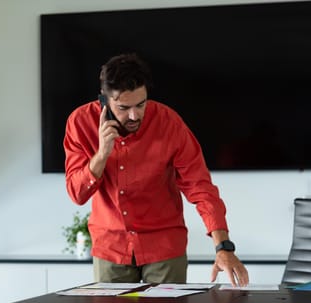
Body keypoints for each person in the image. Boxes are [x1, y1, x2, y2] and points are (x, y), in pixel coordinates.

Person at [63, 53, 249, 287]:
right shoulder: (80, 122)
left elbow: (200, 187)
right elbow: (77, 193)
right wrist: (101, 154)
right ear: (104, 100)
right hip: (111, 247)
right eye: (123, 107)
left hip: (164, 247)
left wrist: (223, 246)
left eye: (140, 104)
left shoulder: (169, 123)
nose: (134, 115)